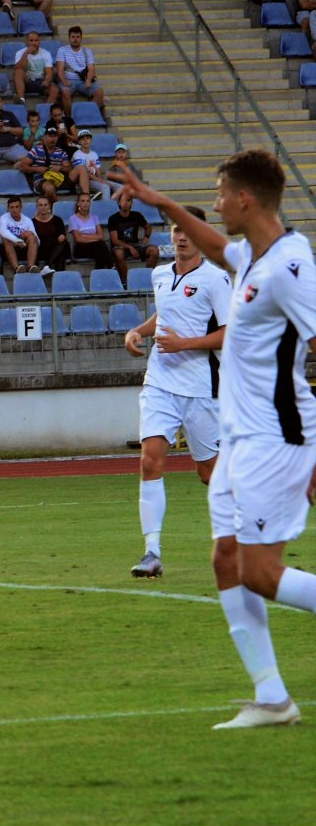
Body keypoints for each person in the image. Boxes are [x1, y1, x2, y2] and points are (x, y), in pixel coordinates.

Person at [111, 151, 316, 729]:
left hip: (278, 436)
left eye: (221, 193)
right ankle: (272, 697)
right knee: (225, 560)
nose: (218, 203)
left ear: (246, 199)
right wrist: (165, 203)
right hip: (240, 435)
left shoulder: (291, 266)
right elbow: (220, 246)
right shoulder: (251, 255)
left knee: (259, 572)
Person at [121, 209, 230, 578]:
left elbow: (229, 334)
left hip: (201, 388)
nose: (181, 237)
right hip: (160, 383)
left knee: (209, 474)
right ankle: (152, 552)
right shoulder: (159, 274)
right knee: (150, 460)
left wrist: (187, 343)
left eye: (189, 231)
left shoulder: (216, 280)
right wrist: (138, 331)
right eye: (176, 230)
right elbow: (164, 317)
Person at [53, 25, 107, 120]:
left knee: (99, 92)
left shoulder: (88, 52)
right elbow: (60, 70)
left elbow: (91, 69)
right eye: (73, 37)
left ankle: (89, 116)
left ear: (81, 38)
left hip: (83, 80)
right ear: (69, 38)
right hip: (68, 79)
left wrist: (89, 80)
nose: (75, 39)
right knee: (65, 92)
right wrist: (64, 81)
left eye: (77, 37)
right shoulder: (62, 50)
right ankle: (69, 118)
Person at [108, 188, 161, 280]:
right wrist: (130, 248)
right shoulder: (113, 218)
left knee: (154, 250)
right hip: (121, 246)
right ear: (119, 203)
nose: (125, 203)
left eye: (128, 200)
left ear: (131, 203)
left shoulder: (137, 215)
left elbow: (148, 227)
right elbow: (115, 240)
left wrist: (146, 237)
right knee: (118, 253)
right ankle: (126, 282)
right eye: (123, 200)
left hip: (135, 245)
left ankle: (147, 277)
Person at [67, 192, 116, 277]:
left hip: (95, 248)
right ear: (78, 203)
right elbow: (78, 239)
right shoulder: (73, 218)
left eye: (87, 201)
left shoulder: (94, 217)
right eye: (83, 201)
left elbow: (101, 236)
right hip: (81, 248)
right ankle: (111, 267)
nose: (85, 203)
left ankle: (98, 276)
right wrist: (94, 238)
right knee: (100, 245)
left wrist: (84, 235)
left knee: (99, 252)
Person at [29, 193, 70, 274]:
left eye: (45, 205)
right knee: (60, 256)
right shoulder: (32, 222)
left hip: (55, 248)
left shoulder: (57, 220)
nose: (43, 207)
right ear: (37, 207)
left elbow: (63, 234)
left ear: (49, 206)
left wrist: (62, 236)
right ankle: (50, 270)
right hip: (41, 250)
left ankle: (47, 266)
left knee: (63, 245)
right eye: (40, 205)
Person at [0, 194, 38, 272]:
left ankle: (31, 267)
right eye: (12, 207)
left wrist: (31, 234)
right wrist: (17, 240)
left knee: (32, 237)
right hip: (7, 248)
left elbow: (38, 241)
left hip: (24, 247)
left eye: (17, 207)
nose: (14, 209)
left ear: (21, 207)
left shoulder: (27, 220)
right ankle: (16, 268)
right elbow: (3, 231)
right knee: (7, 239)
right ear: (8, 208)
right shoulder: (4, 217)